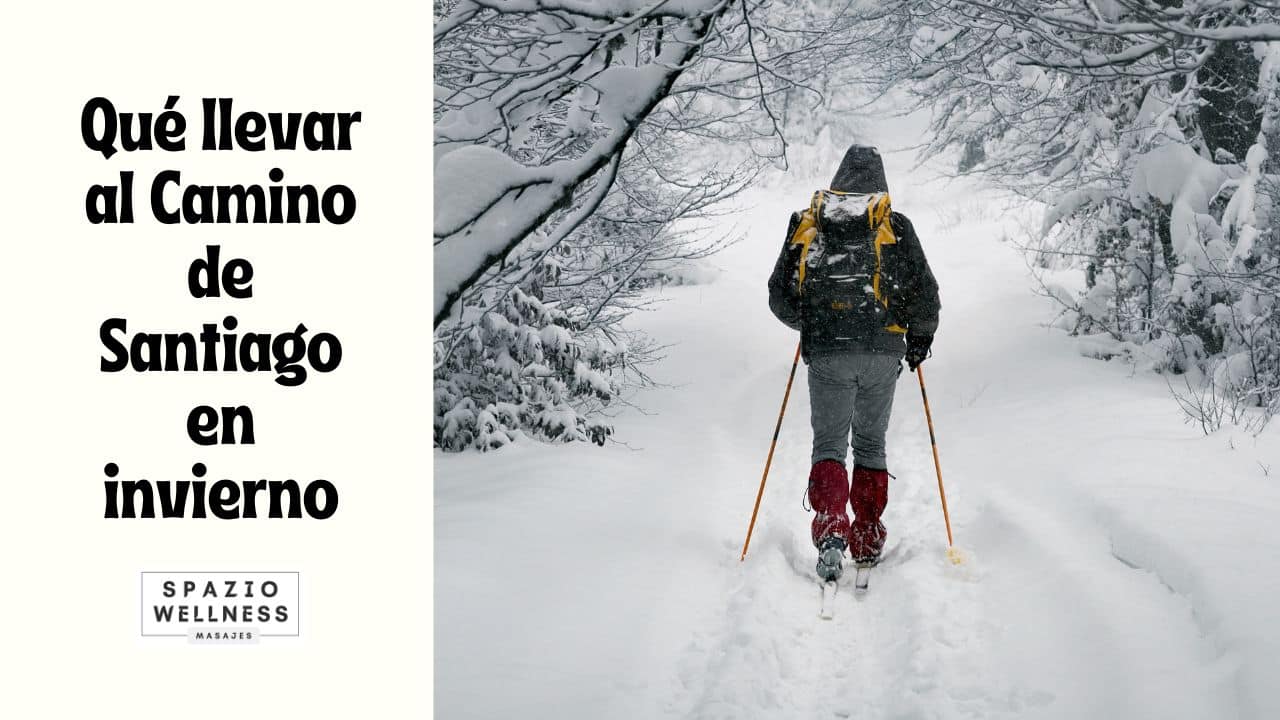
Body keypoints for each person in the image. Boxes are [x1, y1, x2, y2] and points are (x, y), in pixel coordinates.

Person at [767, 145, 941, 581]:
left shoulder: (811, 225)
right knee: (870, 443)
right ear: (880, 185)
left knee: (829, 445)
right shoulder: (895, 226)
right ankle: (866, 535)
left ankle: (830, 533)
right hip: (884, 352)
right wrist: (918, 341)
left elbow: (779, 295)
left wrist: (810, 324)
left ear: (839, 179)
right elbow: (926, 294)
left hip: (828, 353)